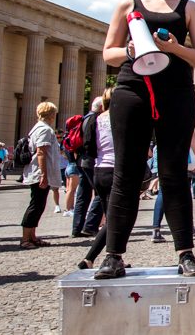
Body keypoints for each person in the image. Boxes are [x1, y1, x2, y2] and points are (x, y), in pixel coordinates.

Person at [96, 0, 195, 279]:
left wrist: (175, 48)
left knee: (173, 173)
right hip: (133, 90)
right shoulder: (127, 6)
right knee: (126, 174)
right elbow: (108, 54)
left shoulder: (188, 7)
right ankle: (113, 255)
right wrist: (131, 51)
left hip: (176, 92)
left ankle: (185, 253)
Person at [77, 88, 118, 269]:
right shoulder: (119, 118)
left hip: (98, 170)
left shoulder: (94, 118)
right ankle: (91, 258)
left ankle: (113, 256)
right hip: (116, 169)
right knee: (115, 220)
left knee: (111, 218)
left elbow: (89, 146)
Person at [20, 102, 62, 249]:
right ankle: (26, 238)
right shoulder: (44, 129)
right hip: (40, 172)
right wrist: (44, 175)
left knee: (39, 205)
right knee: (35, 205)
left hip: (39, 172)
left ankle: (32, 236)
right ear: (51, 114)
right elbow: (41, 152)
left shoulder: (39, 128)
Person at [72, 97, 103, 237]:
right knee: (102, 193)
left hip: (82, 160)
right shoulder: (95, 119)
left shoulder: (84, 118)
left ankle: (76, 228)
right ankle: (90, 226)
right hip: (91, 161)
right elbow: (91, 142)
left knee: (82, 195)